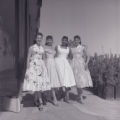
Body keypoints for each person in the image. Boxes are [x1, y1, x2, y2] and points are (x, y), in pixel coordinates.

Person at [23, 32, 51, 111]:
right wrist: (27, 68)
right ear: (35, 39)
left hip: (41, 67)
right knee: (36, 84)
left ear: (42, 39)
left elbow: (44, 58)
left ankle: (36, 100)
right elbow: (28, 58)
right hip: (33, 67)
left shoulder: (42, 48)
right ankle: (40, 102)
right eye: (38, 38)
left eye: (40, 38)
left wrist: (45, 68)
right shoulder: (31, 47)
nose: (39, 39)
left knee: (39, 84)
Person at [70, 35, 93, 103]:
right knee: (76, 80)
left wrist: (86, 63)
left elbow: (88, 56)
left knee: (81, 80)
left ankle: (80, 96)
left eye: (77, 40)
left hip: (80, 64)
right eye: (75, 40)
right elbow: (70, 57)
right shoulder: (72, 48)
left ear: (79, 40)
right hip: (73, 64)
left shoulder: (82, 47)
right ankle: (78, 95)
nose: (76, 41)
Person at [55, 36, 76, 103]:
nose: (64, 41)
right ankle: (60, 95)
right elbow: (54, 54)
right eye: (63, 40)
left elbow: (71, 56)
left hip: (65, 65)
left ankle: (66, 97)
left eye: (65, 40)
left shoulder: (68, 48)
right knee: (59, 79)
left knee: (66, 80)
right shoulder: (57, 47)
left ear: (67, 41)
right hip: (58, 63)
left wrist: (68, 61)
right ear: (61, 40)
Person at [44, 35, 61, 106]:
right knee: (49, 81)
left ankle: (48, 96)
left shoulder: (54, 48)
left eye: (51, 40)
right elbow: (44, 58)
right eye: (48, 40)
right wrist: (44, 66)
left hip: (53, 65)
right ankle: (54, 98)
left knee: (53, 81)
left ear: (52, 41)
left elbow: (56, 56)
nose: (49, 41)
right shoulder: (44, 48)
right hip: (48, 64)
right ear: (46, 41)